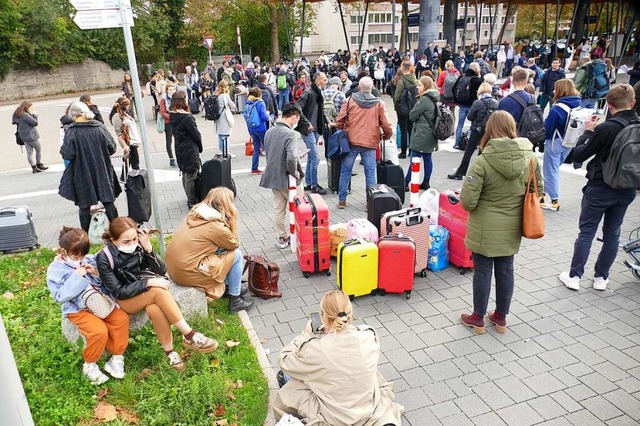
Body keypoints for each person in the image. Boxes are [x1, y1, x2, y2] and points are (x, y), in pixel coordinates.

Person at [97, 217, 219, 370]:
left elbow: (161, 270)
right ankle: (190, 335)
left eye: (135, 238)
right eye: (126, 241)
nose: (132, 244)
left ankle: (170, 353)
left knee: (154, 308)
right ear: (114, 240)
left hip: (143, 293)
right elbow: (118, 291)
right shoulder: (104, 257)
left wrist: (148, 248)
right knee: (157, 292)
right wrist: (148, 283)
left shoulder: (140, 245)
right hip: (125, 300)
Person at [459, 111, 543, 334]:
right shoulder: (531, 158)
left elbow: (467, 202)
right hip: (513, 225)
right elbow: (538, 190)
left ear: (490, 129)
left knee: (483, 271)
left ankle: (477, 318)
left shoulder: (483, 161)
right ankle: (501, 317)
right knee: (506, 270)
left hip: (484, 227)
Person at [273, 290, 404, 425]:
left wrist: (305, 336)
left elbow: (284, 359)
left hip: (336, 417)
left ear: (324, 316)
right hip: (368, 408)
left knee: (290, 390)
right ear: (349, 313)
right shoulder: (369, 335)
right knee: (374, 375)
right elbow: (345, 346)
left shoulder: (315, 349)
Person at [559, 84, 638, 292]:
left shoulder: (605, 128)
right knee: (613, 233)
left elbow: (579, 155)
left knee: (587, 232)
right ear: (633, 103)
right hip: (627, 188)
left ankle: (575, 276)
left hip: (600, 187)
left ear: (609, 106)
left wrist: (587, 132)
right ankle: (601, 277)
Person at [47, 227, 129, 385]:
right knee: (98, 331)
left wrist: (95, 273)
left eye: (82, 255)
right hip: (76, 309)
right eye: (75, 255)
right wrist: (77, 277)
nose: (79, 259)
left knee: (121, 319)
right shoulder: (55, 270)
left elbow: (99, 283)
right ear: (63, 252)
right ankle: (89, 365)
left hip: (99, 302)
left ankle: (116, 357)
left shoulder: (88, 259)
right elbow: (60, 296)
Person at [165, 187, 254, 313]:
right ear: (226, 205)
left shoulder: (196, 213)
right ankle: (235, 299)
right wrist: (233, 221)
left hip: (174, 269)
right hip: (188, 273)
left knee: (223, 252)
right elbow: (234, 244)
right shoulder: (215, 226)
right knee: (236, 255)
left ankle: (229, 287)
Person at [59, 101, 121, 232]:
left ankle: (86, 235)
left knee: (84, 206)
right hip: (102, 170)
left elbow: (67, 154)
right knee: (108, 202)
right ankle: (117, 232)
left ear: (74, 116)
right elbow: (112, 147)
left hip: (82, 173)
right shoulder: (99, 127)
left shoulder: (72, 132)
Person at [335, 77, 393, 209]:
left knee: (345, 171)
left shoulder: (349, 100)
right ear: (372, 87)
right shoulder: (379, 103)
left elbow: (340, 120)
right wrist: (386, 135)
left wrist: (342, 130)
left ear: (359, 87)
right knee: (370, 173)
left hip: (351, 141)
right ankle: (370, 202)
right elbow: (386, 124)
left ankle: (342, 201)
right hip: (370, 142)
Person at [259, 103, 305, 249]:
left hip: (273, 176)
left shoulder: (269, 132)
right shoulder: (290, 134)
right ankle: (299, 235)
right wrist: (296, 174)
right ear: (293, 117)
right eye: (297, 119)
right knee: (300, 208)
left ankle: (282, 237)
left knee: (278, 208)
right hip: (288, 179)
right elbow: (291, 158)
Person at [540, 79, 582, 211]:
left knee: (550, 171)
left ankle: (554, 200)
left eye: (555, 88)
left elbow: (548, 127)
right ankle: (543, 193)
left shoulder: (557, 108)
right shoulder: (578, 104)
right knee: (552, 169)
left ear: (560, 90)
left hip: (554, 141)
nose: (553, 91)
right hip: (569, 141)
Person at [448, 82, 499, 180]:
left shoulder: (477, 103)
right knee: (483, 153)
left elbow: (470, 117)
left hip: (476, 130)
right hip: (489, 131)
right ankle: (480, 174)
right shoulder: (495, 102)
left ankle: (460, 173)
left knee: (468, 152)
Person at [405, 76, 439, 191]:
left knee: (415, 157)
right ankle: (426, 181)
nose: (417, 87)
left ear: (426, 86)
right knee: (427, 157)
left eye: (419, 85)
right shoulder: (435, 97)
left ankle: (406, 182)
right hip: (431, 133)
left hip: (422, 133)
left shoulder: (425, 99)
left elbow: (412, 115)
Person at [169, 91, 203, 209]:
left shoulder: (173, 115)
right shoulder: (186, 117)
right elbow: (196, 134)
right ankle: (192, 200)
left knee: (185, 173)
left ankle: (189, 198)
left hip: (179, 147)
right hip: (189, 148)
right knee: (190, 174)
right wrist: (200, 147)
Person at [296, 72, 327, 194]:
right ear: (318, 80)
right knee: (315, 158)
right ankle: (314, 185)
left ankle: (309, 182)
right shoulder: (308, 93)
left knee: (311, 157)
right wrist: (306, 123)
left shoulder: (317, 94)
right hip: (308, 130)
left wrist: (327, 121)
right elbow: (297, 107)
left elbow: (320, 111)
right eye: (324, 80)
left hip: (314, 130)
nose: (325, 82)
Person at [453, 62, 483, 150]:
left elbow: (453, 89)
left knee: (460, 124)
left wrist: (457, 101)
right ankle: (471, 143)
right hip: (472, 105)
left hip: (462, 104)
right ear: (475, 69)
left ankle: (457, 143)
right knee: (473, 125)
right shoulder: (476, 80)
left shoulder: (461, 77)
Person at [12, 101, 48, 173]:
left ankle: (33, 167)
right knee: (38, 150)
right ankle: (39, 164)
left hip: (23, 136)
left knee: (29, 152)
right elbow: (35, 123)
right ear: (27, 107)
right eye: (30, 107)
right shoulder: (25, 115)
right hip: (32, 136)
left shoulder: (17, 114)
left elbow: (14, 122)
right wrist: (34, 115)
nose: (31, 108)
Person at [394, 61, 418, 158]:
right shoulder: (415, 79)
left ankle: (403, 152)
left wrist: (396, 107)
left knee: (403, 131)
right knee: (411, 129)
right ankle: (411, 151)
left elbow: (397, 97)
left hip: (403, 109)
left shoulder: (401, 81)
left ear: (402, 68)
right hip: (413, 107)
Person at [244, 87, 270, 174]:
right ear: (259, 94)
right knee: (268, 148)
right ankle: (270, 168)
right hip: (261, 128)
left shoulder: (248, 104)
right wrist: (268, 114)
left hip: (252, 128)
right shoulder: (260, 103)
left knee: (256, 149)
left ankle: (254, 168)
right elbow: (264, 117)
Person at [111, 96, 141, 173]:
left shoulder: (124, 114)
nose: (128, 107)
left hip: (132, 141)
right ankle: (136, 181)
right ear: (122, 106)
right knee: (135, 163)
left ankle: (124, 178)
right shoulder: (117, 117)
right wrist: (125, 146)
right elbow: (119, 134)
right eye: (127, 105)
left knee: (128, 162)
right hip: (129, 143)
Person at [212, 80, 236, 155]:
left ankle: (220, 151)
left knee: (220, 134)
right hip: (224, 117)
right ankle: (226, 152)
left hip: (217, 117)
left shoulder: (216, 95)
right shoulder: (225, 96)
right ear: (225, 87)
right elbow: (233, 106)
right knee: (225, 135)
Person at [159, 81, 177, 167]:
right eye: (170, 90)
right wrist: (172, 117)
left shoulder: (177, 98)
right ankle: (171, 158)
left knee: (178, 139)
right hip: (168, 122)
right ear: (167, 91)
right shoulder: (163, 99)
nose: (172, 91)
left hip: (177, 122)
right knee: (169, 140)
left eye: (173, 89)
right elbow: (163, 112)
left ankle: (178, 156)